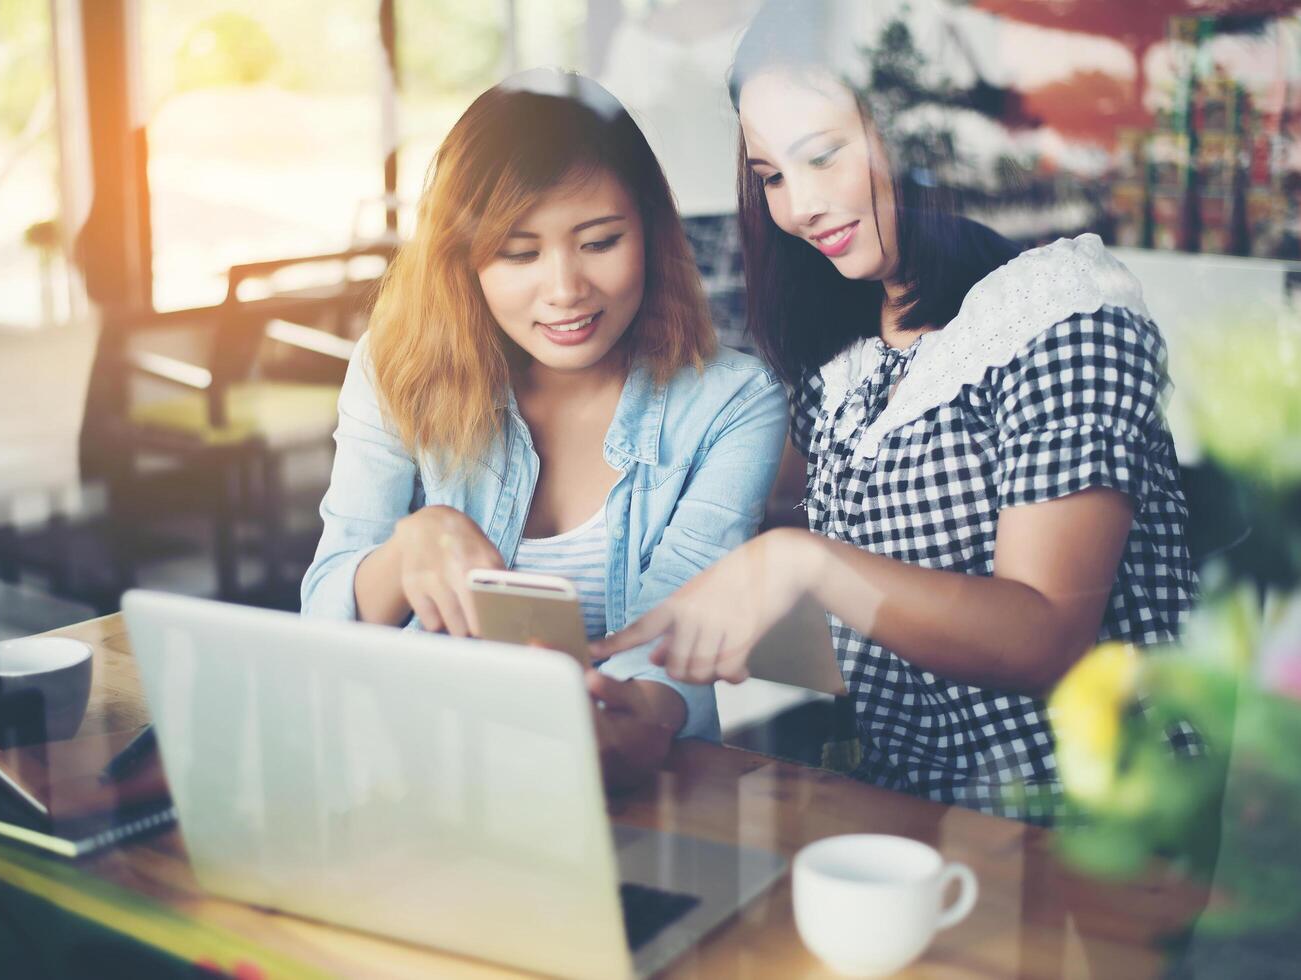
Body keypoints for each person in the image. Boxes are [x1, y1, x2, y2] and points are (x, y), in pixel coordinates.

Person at [595, 0, 1195, 818]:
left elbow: (1042, 636)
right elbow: (792, 538)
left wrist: (800, 563)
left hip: (1079, 825)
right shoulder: (851, 351)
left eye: (821, 157)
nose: (796, 207)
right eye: (771, 176)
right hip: (912, 804)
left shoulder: (1062, 315)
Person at [300, 69, 788, 790]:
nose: (564, 290)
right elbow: (322, 625)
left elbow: (674, 634)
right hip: (418, 771)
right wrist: (408, 550)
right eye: (518, 254)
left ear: (649, 235)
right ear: (463, 260)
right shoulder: (395, 367)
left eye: (598, 242)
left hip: (637, 791)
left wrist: (633, 723)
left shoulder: (732, 403)